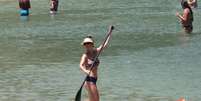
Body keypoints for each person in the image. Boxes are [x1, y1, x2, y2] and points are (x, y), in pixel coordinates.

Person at [79, 31, 112, 101]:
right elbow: (80, 65)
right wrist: (86, 71)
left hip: (94, 80)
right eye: (85, 44)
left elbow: (104, 45)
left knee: (92, 100)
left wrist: (110, 33)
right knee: (97, 100)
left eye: (88, 43)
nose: (87, 45)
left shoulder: (96, 51)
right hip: (89, 80)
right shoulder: (85, 55)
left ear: (92, 44)